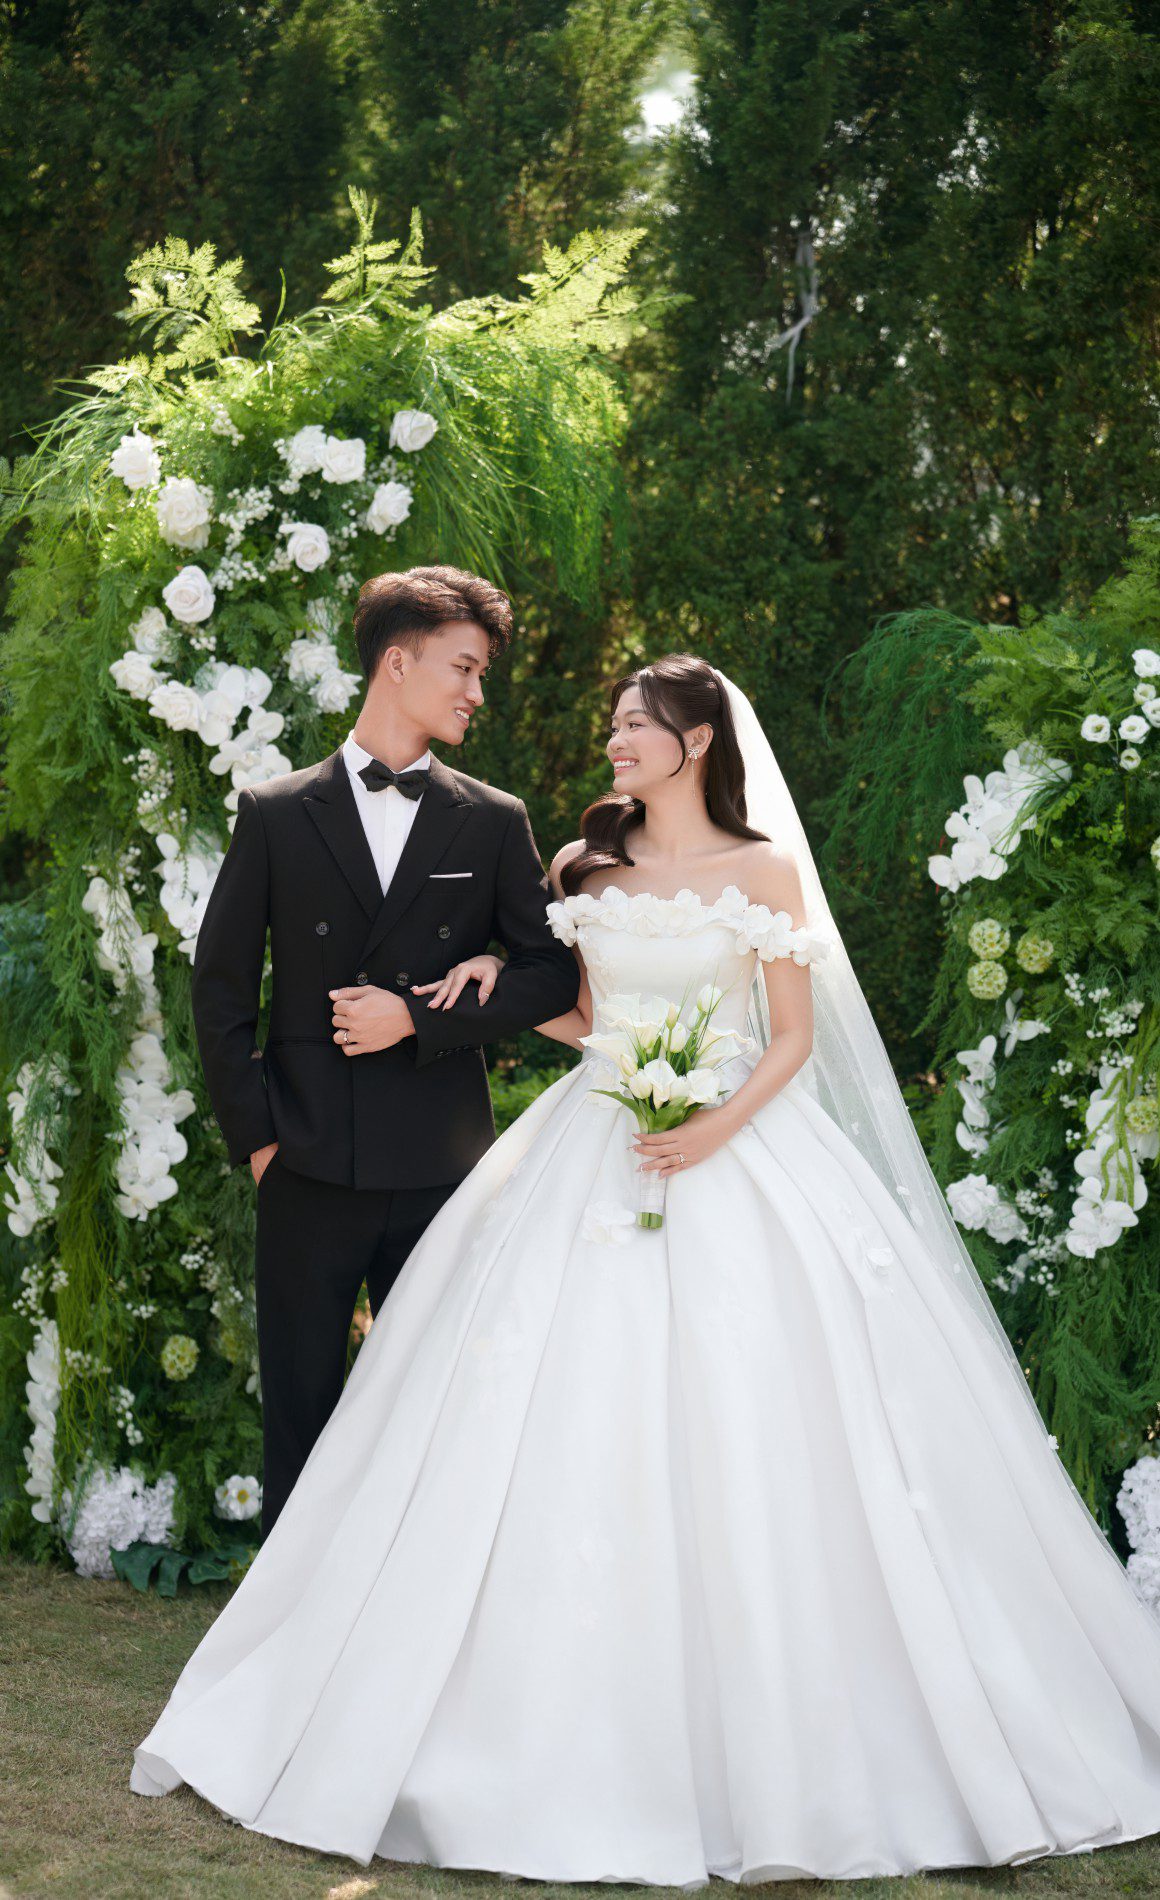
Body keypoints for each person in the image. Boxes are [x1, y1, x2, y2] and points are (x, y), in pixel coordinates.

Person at [134, 654, 1160, 1885]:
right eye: (613, 720)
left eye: (637, 723)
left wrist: (711, 1127)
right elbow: (576, 1012)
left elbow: (790, 1037)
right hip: (592, 1139)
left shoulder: (762, 870)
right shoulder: (582, 867)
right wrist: (495, 990)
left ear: (697, 740)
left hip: (733, 1147)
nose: (615, 739)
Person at [189, 564, 580, 1539]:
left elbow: (549, 977)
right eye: (463, 667)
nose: (476, 692)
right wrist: (259, 1141)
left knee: (431, 1414)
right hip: (306, 1158)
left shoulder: (491, 819)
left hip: (440, 1165)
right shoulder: (276, 812)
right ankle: (289, 1622)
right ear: (396, 663)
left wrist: (417, 1018)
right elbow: (221, 987)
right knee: (300, 1413)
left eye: (481, 673)